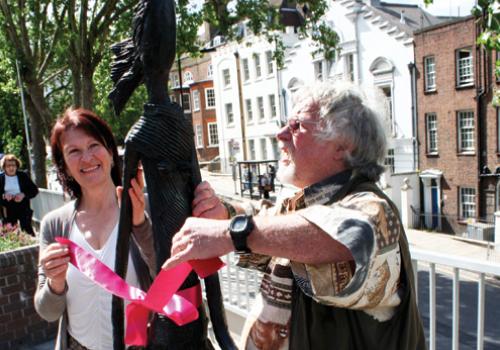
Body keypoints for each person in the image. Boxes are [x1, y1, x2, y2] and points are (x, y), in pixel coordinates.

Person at [163, 82, 426, 350]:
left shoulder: (373, 208)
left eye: (297, 126)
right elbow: (265, 217)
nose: (280, 134)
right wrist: (224, 214)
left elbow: (352, 236)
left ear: (343, 146)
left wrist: (230, 234)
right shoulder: (304, 205)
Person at [34, 108, 156, 350]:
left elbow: (168, 277)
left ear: (110, 151)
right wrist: (55, 283)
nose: (87, 158)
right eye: (74, 152)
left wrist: (140, 225)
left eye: (93, 145)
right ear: (65, 166)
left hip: (141, 345)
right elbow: (47, 311)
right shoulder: (55, 224)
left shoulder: (147, 207)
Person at [0, 154, 39, 235]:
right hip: (7, 208)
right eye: (8, 166)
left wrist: (23, 194)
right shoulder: (1, 178)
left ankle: (32, 246)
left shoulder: (23, 176)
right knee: (9, 233)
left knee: (28, 231)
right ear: (4, 167)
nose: (11, 168)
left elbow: (34, 190)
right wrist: (4, 196)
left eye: (13, 165)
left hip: (23, 206)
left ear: (17, 166)